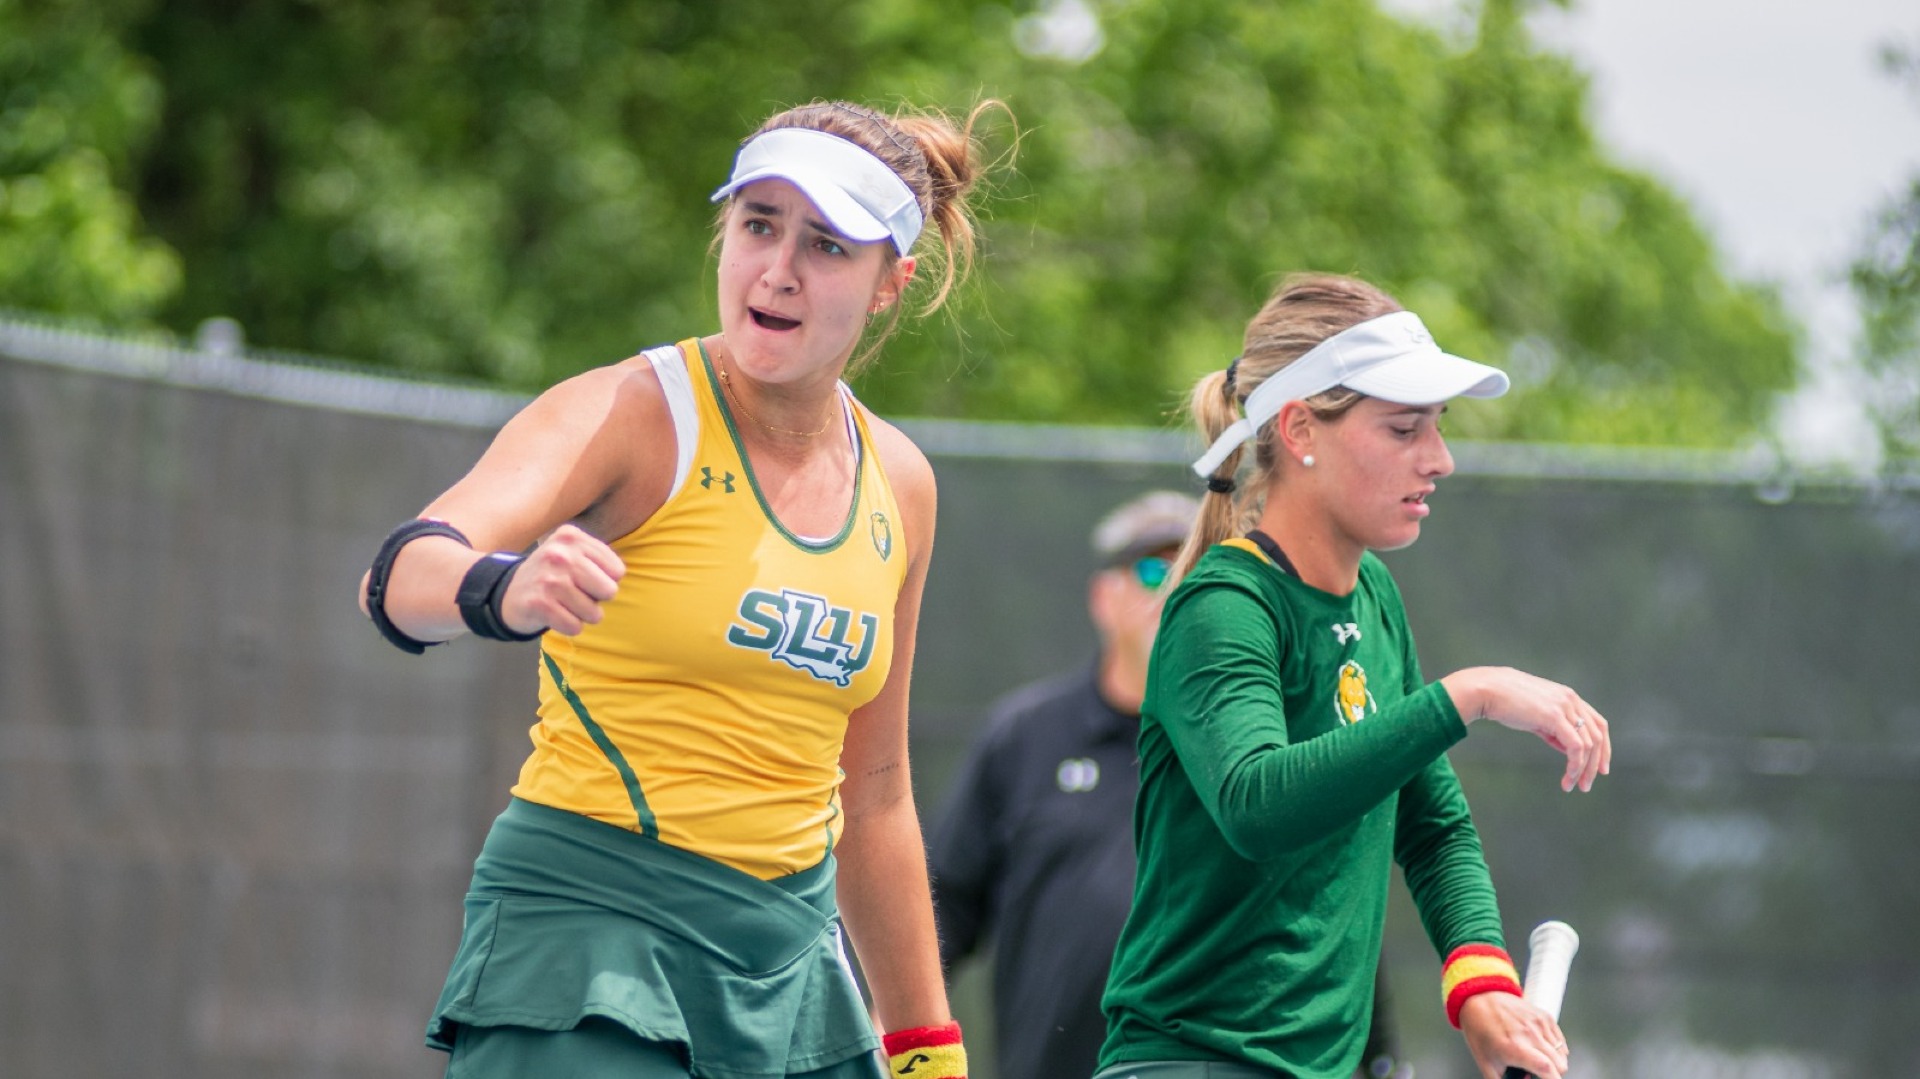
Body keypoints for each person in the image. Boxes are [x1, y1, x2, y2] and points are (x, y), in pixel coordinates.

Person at [356, 98, 1004, 1079]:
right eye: (758, 224)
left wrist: (923, 1041)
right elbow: (398, 574)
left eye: (827, 244)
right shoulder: (635, 412)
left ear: (889, 284)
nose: (778, 269)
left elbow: (872, 791)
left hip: (790, 966)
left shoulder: (900, 483)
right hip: (592, 934)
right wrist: (504, 585)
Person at [1095, 274, 1612, 1079]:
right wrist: (1464, 695)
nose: (1439, 459)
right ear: (1300, 428)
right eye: (1404, 428)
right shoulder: (1223, 604)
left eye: (1437, 428)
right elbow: (1257, 804)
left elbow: (1433, 825)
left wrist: (1480, 985)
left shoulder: (1374, 595)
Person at [929, 491, 1409, 1079]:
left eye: (1199, 567)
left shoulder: (1277, 742)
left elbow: (1339, 904)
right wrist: (889, 1022)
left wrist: (1381, 1062)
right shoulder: (1024, 737)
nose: (1176, 587)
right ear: (1103, 598)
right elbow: (944, 905)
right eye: (1154, 569)